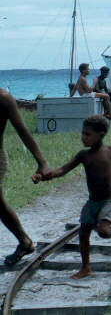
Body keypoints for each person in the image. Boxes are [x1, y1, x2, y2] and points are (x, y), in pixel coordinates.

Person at [35, 115, 111, 279]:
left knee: (104, 231)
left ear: (101, 134)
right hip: (92, 202)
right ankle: (85, 267)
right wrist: (45, 176)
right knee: (83, 233)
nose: (83, 137)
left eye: (87, 134)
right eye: (82, 133)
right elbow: (63, 170)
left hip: (108, 201)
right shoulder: (83, 155)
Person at [0, 90, 51, 265]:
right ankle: (24, 242)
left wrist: (42, 163)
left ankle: (25, 242)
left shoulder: (3, 98)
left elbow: (23, 131)